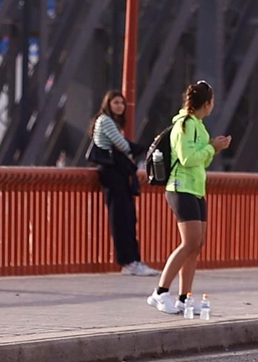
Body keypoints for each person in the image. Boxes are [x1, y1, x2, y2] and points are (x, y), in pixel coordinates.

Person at [147, 81, 231, 316]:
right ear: (207, 103)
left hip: (196, 189)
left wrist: (214, 149)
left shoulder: (200, 127)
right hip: (180, 187)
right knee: (189, 243)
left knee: (197, 245)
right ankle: (160, 291)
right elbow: (186, 158)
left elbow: (201, 161)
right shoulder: (184, 125)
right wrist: (211, 148)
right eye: (212, 101)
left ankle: (185, 297)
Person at [89, 91, 159, 278]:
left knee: (128, 218)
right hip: (112, 173)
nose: (120, 106)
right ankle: (128, 262)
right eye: (116, 102)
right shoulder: (105, 121)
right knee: (121, 219)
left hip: (118, 173)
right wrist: (143, 148)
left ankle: (134, 260)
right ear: (108, 104)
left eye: (122, 103)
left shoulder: (111, 122)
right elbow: (123, 145)